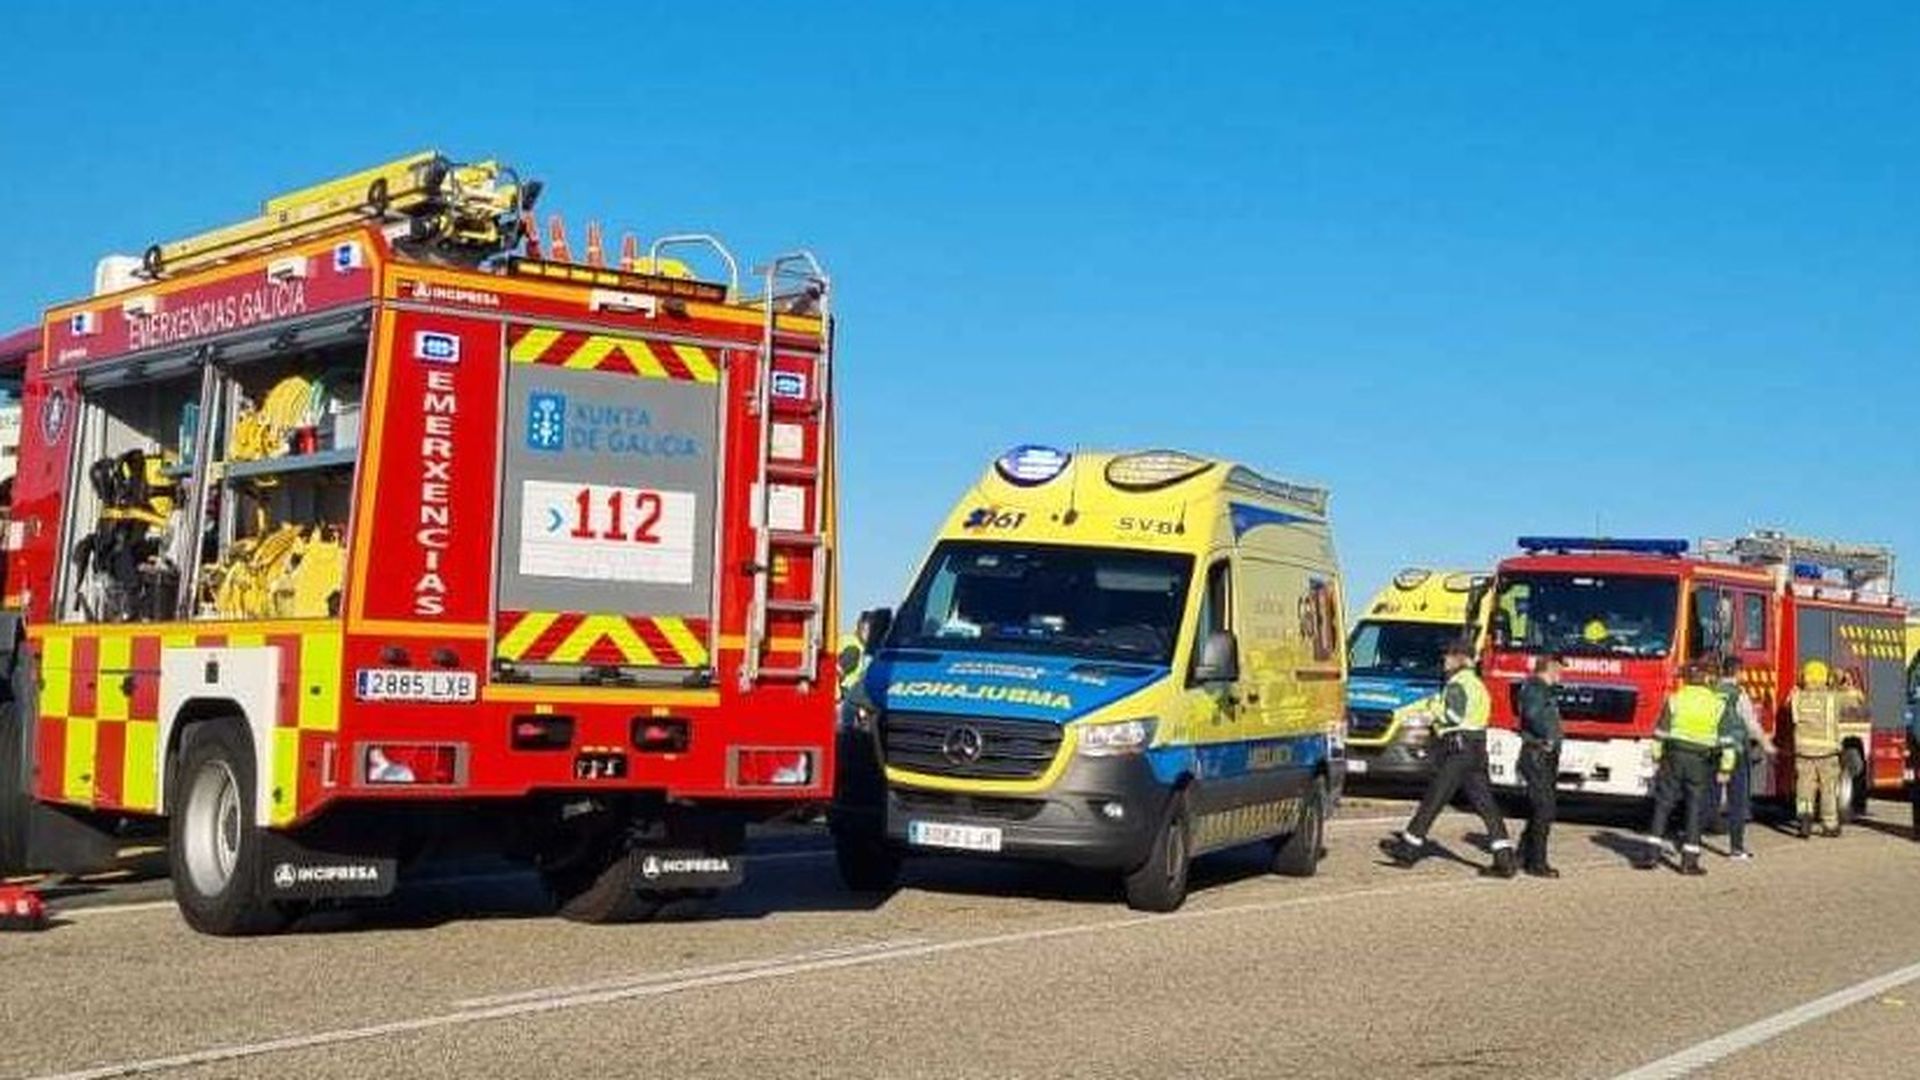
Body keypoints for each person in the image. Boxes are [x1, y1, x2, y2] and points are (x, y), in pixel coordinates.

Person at [1380, 639, 1517, 878]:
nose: (1444, 660)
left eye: (1448, 656)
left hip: (1458, 750)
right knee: (1486, 805)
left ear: (1460, 659)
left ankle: (1408, 850)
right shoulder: (1477, 684)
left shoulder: (1457, 683)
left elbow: (1453, 715)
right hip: (1476, 748)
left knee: (1434, 799)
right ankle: (1504, 857)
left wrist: (1434, 710)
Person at [1637, 661, 1736, 875]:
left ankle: (1651, 855)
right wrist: (1726, 769)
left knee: (1663, 804)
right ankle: (1689, 861)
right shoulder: (1718, 704)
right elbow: (1728, 742)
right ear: (1706, 679)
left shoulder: (1675, 699)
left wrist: (1656, 757)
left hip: (1673, 756)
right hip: (1701, 761)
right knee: (1694, 807)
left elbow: (1660, 733)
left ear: (1687, 679)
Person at [1714, 653, 1776, 861]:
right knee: (1737, 800)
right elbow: (1751, 724)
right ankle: (1736, 848)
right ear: (1738, 672)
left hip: (1714, 750)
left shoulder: (1712, 691)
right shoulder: (1738, 694)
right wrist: (1766, 744)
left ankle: (1692, 842)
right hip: (1736, 751)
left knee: (1707, 797)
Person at [1515, 653, 1565, 878]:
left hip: (1541, 754)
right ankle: (1537, 863)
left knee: (1540, 808)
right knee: (1545, 808)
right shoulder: (1536, 688)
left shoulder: (1542, 689)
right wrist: (1549, 738)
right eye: (1559, 669)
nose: (1561, 674)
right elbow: (1533, 715)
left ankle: (1523, 855)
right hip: (1537, 754)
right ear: (1550, 668)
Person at [1788, 660, 1843, 839]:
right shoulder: (1832, 698)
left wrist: (1799, 685)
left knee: (1804, 789)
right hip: (1827, 754)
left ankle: (1804, 822)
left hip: (1804, 752)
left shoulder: (1796, 697)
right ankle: (1830, 825)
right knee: (1828, 789)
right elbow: (1858, 698)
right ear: (1824, 678)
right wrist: (1840, 681)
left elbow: (1787, 704)